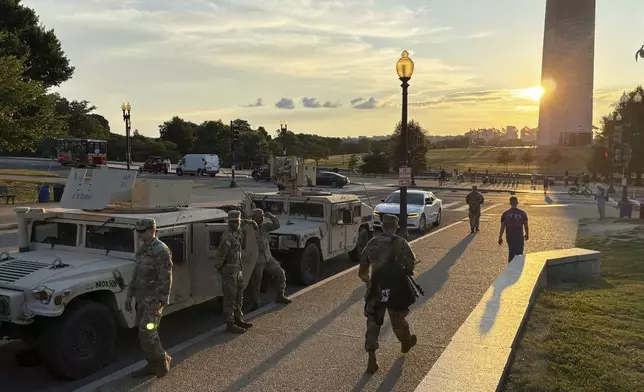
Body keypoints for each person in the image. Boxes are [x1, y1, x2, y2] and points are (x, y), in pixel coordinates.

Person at [359, 214, 418, 374]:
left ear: (382, 226)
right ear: (396, 227)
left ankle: (372, 358)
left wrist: (369, 283)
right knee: (398, 319)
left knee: (373, 323)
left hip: (376, 289)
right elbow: (411, 264)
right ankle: (405, 341)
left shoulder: (372, 243)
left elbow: (362, 270)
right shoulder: (401, 243)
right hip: (395, 289)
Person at [125, 218, 173, 378]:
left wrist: (159, 302)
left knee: (148, 332)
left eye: (142, 231)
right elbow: (136, 274)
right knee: (142, 332)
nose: (139, 234)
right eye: (137, 231)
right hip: (142, 298)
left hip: (153, 300)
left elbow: (166, 278)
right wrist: (129, 295)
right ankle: (151, 363)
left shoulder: (161, 250)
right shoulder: (142, 249)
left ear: (152, 230)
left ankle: (162, 361)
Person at [214, 210, 255, 334]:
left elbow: (243, 221)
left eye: (236, 221)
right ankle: (230, 323)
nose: (235, 224)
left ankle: (238, 318)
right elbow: (220, 257)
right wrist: (222, 269)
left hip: (238, 271)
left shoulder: (237, 232)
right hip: (229, 272)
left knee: (239, 296)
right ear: (228, 223)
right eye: (232, 222)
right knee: (229, 298)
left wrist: (250, 221)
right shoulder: (227, 237)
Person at [248, 208, 292, 310]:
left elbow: (277, 225)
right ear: (253, 218)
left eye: (261, 218)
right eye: (257, 218)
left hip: (268, 258)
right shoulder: (249, 229)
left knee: (280, 272)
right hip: (257, 261)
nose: (260, 220)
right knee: (256, 283)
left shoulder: (265, 227)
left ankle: (280, 295)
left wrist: (271, 216)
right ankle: (255, 304)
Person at [498, 197, 529, 263]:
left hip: (510, 236)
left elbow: (502, 227)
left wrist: (500, 237)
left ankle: (510, 267)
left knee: (511, 252)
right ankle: (518, 267)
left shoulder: (505, 214)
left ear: (510, 203)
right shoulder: (522, 213)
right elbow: (526, 225)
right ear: (517, 203)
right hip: (519, 236)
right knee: (520, 252)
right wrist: (527, 234)